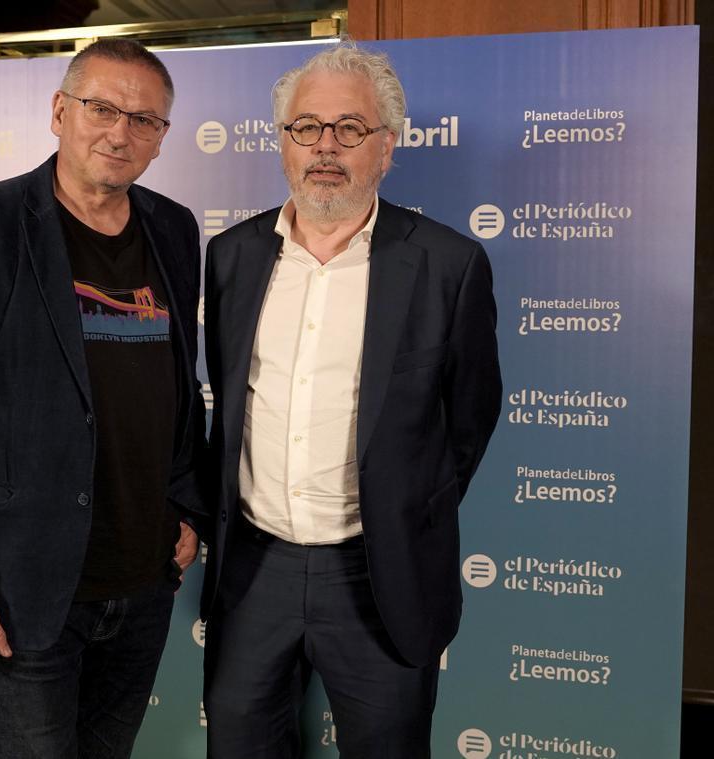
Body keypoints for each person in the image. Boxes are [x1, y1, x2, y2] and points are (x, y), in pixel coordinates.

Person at [0, 39, 205, 759]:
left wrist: (187, 506)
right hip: (19, 594)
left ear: (161, 138)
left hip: (141, 585)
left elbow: (178, 389)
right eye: (101, 108)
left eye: (144, 119)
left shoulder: (175, 228)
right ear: (59, 111)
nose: (120, 132)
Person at [200, 42, 502, 758]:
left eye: (349, 129)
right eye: (306, 127)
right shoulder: (233, 255)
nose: (325, 147)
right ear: (282, 142)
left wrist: (403, 507)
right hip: (253, 570)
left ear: (387, 147)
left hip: (380, 576)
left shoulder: (449, 264)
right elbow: (226, 398)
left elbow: (469, 419)